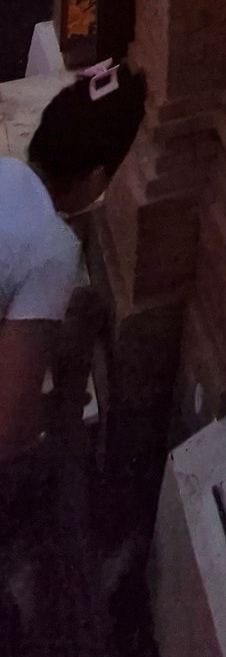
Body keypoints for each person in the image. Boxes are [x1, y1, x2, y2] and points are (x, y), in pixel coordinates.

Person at [0, 61, 146, 462]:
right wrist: (56, 411)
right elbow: (8, 429)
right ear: (96, 177)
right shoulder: (53, 248)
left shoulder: (5, 171)